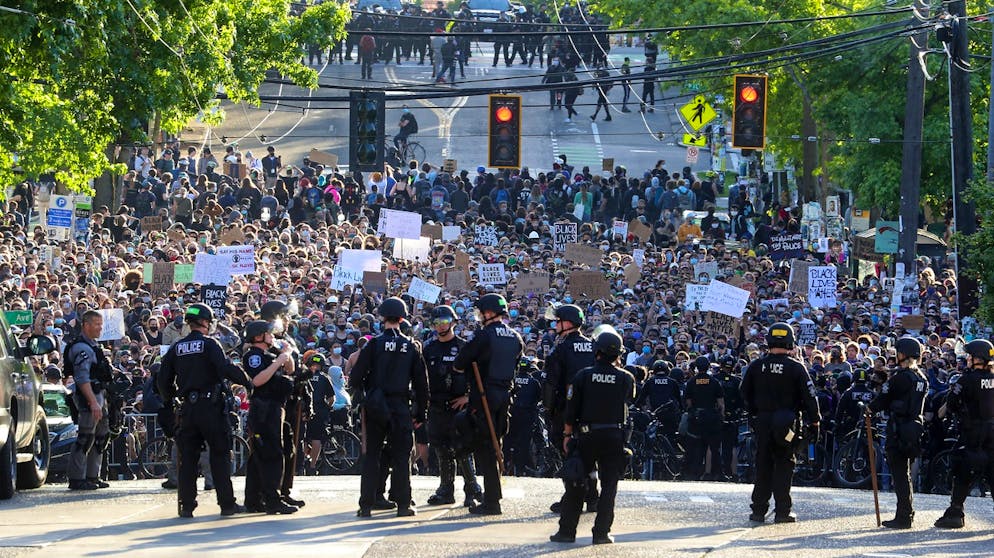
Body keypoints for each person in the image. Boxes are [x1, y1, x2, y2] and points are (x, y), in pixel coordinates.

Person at [158, 304, 253, 518]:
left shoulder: (177, 346)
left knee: (188, 460)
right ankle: (227, 504)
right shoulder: (210, 344)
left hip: (188, 410)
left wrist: (171, 398)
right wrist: (248, 382)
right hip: (211, 408)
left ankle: (186, 506)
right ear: (205, 322)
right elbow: (224, 368)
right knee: (219, 456)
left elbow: (163, 380)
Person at [550, 326, 635, 545]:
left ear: (596, 351)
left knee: (577, 482)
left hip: (587, 436)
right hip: (615, 437)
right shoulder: (626, 378)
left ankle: (567, 532)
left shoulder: (583, 376)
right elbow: (629, 400)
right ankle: (601, 533)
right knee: (609, 487)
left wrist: (567, 435)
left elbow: (571, 410)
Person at [348, 297, 429, 518]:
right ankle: (403, 504)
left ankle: (366, 505)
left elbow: (354, 378)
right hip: (400, 405)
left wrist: (366, 392)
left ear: (382, 318)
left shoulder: (373, 344)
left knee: (372, 455)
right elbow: (422, 383)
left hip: (376, 405)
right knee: (402, 457)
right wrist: (420, 412)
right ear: (402, 318)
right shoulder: (411, 346)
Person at [740, 322, 820, 523]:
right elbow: (810, 397)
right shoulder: (796, 367)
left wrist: (754, 414)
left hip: (763, 422)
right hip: (787, 424)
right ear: (790, 341)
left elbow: (743, 393)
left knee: (763, 464)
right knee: (784, 465)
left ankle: (758, 510)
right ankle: (783, 511)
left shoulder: (757, 365)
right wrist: (815, 422)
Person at [453, 293, 523, 515]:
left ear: (490, 313)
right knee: (496, 443)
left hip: (484, 396)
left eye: (482, 312)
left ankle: (491, 501)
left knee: (485, 446)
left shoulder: (484, 336)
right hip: (505, 396)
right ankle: (494, 493)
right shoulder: (515, 337)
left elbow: (460, 363)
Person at [422, 305, 482, 507]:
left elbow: (478, 378)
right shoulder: (428, 348)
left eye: (445, 322)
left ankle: (472, 488)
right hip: (437, 405)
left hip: (460, 407)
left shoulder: (465, 347)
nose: (441, 327)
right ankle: (446, 489)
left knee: (463, 449)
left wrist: (468, 397)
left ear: (454, 322)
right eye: (437, 323)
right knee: (441, 449)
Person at [934, 339, 994, 529]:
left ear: (978, 358)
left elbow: (950, 405)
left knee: (962, 473)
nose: (967, 359)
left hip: (972, 433)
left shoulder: (966, 379)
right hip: (992, 434)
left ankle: (955, 513)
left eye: (970, 355)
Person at [542, 304, 596, 513]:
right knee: (590, 451)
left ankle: (572, 497)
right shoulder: (593, 345)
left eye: (558, 320)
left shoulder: (561, 348)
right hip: (592, 409)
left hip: (567, 408)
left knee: (567, 451)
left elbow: (551, 383)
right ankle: (592, 497)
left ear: (568, 323)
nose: (555, 324)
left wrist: (549, 409)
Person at [868, 336, 927, 529]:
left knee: (899, 474)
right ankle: (906, 512)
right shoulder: (921, 378)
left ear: (902, 354)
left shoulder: (900, 378)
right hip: (915, 428)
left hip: (899, 428)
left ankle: (903, 516)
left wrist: (868, 409)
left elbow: (881, 400)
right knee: (906, 474)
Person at [241, 320, 298, 515]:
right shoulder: (253, 356)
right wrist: (278, 361)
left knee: (274, 451)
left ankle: (258, 499)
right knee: (270, 453)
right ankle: (271, 500)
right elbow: (257, 380)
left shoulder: (271, 354)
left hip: (276, 407)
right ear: (258, 337)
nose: (272, 336)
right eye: (268, 333)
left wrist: (286, 354)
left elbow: (290, 370)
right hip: (263, 409)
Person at [66, 310, 113, 490]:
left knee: (101, 436)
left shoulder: (93, 346)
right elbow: (82, 378)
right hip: (89, 396)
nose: (100, 328)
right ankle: (77, 478)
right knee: (85, 437)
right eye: (96, 324)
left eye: (101, 324)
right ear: (86, 325)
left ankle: (93, 476)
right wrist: (93, 402)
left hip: (99, 393)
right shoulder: (81, 349)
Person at [684, 356, 724, 480]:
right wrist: (721, 416)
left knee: (696, 446)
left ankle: (694, 472)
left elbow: (688, 402)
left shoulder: (691, 382)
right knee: (713, 447)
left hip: (696, 418)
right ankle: (712, 472)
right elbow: (721, 403)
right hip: (711, 418)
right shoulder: (714, 382)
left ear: (696, 367)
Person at [304, 352, 333, 476]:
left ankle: (303, 462)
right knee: (317, 439)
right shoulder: (324, 378)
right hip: (320, 412)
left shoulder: (304, 377)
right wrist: (326, 408)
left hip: (305, 412)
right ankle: (312, 467)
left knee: (303, 439)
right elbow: (331, 398)